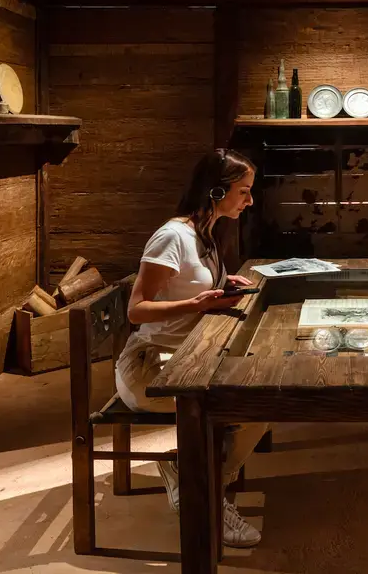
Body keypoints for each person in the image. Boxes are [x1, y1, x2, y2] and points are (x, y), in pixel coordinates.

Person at [117, 148, 267, 548]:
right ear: (216, 191)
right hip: (151, 369)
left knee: (267, 391)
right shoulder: (173, 236)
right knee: (251, 402)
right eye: (243, 191)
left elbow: (192, 285)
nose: (249, 201)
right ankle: (207, 499)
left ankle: (192, 475)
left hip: (187, 358)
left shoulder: (204, 234)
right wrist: (198, 304)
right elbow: (136, 311)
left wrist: (222, 284)